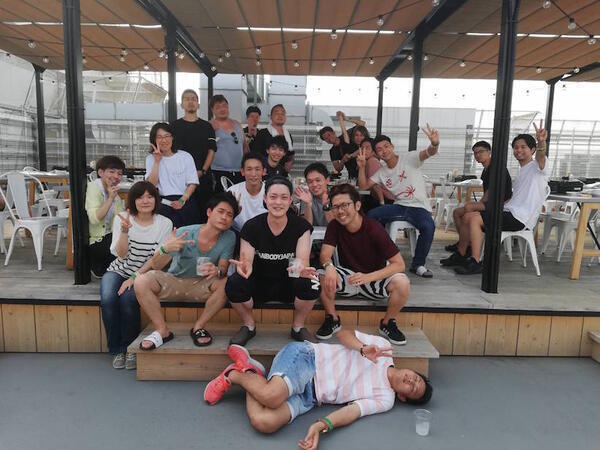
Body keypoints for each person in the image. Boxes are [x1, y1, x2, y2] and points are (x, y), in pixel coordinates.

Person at [203, 330, 433, 448]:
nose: (411, 381)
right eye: (416, 378)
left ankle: (250, 371)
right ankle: (233, 375)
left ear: (403, 397)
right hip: (308, 359)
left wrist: (321, 425)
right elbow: (343, 334)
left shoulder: (385, 399)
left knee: (264, 422)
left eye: (413, 388)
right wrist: (362, 348)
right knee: (271, 397)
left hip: (311, 397)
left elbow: (352, 411)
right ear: (412, 370)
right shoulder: (384, 348)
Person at [134, 193, 238, 349]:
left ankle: (199, 327)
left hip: (202, 283)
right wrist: (166, 249)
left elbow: (223, 270)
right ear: (209, 212)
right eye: (221, 211)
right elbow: (156, 264)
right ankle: (162, 330)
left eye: (229, 215)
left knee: (227, 283)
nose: (224, 217)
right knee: (141, 281)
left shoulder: (229, 237)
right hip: (174, 280)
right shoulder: (185, 232)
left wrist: (217, 271)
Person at [225, 177, 320, 346]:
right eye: (273, 197)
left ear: (290, 200)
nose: (278, 202)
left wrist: (301, 267)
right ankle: (248, 325)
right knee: (234, 283)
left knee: (312, 282)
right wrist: (244, 267)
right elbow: (247, 261)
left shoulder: (301, 226)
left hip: (289, 283)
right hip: (259, 283)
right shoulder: (251, 226)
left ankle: (298, 327)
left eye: (284, 197)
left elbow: (302, 260)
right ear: (265, 199)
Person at [316, 184, 410, 345]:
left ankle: (388, 323)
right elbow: (325, 254)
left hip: (374, 279)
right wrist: (329, 266)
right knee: (321, 274)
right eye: (336, 206)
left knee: (402, 282)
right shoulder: (334, 225)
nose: (340, 211)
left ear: (357, 205)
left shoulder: (373, 228)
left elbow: (399, 264)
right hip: (349, 278)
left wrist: (368, 277)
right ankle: (332, 318)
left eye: (345, 205)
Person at [454, 122, 549, 275]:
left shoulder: (537, 168)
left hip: (520, 219)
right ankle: (462, 253)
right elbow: (515, 197)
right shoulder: (522, 171)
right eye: (516, 147)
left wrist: (541, 142)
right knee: (467, 216)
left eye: (523, 147)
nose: (518, 150)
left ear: (532, 149)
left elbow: (541, 156)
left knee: (474, 218)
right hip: (510, 212)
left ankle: (476, 261)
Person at [100, 181, 172, 370]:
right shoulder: (122, 218)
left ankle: (130, 348)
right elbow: (121, 254)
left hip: (145, 274)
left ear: (156, 200)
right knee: (108, 299)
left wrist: (134, 277)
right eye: (140, 197)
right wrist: (125, 231)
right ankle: (117, 349)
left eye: (149, 196)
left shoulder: (164, 223)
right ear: (133, 200)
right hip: (118, 269)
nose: (145, 201)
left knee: (128, 300)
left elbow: (156, 260)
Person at [358, 127, 439, 278]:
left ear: (392, 146)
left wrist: (434, 143)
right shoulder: (382, 172)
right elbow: (363, 186)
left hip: (418, 207)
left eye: (386, 146)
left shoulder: (409, 158)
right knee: (371, 216)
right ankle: (380, 253)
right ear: (376, 154)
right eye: (379, 149)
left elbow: (428, 152)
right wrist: (361, 167)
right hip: (399, 206)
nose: (384, 151)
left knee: (429, 226)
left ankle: (418, 264)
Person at [440, 141, 512, 268]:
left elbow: (490, 192)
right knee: (457, 212)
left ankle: (465, 248)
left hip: (499, 205)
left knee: (468, 208)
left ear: (489, 152)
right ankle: (464, 244)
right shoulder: (486, 169)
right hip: (491, 203)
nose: (477, 155)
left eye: (481, 152)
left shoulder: (495, 167)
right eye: (475, 153)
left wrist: (478, 204)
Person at [171, 89, 217, 222]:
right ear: (181, 104)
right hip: (180, 180)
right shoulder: (174, 126)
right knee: (182, 214)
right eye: (187, 99)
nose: (190, 102)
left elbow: (212, 150)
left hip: (203, 178)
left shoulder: (207, 126)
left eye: (194, 99)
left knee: (204, 215)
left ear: (198, 104)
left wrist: (203, 171)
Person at [145, 122, 200, 227]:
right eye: (159, 137)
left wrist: (182, 200)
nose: (164, 140)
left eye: (167, 136)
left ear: (172, 137)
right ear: (154, 140)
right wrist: (157, 161)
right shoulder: (150, 158)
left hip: (184, 200)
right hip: (162, 203)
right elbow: (151, 185)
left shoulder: (185, 156)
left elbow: (192, 183)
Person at [85, 155, 126, 277]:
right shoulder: (93, 188)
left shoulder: (114, 192)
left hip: (110, 239)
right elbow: (95, 219)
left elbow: (120, 219)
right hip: (97, 241)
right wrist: (110, 199)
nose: (116, 176)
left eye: (119, 173)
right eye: (111, 172)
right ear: (100, 172)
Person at [210, 95, 248, 191]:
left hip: (239, 171)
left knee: (238, 198)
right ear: (212, 110)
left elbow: (245, 147)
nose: (222, 109)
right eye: (218, 107)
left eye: (224, 106)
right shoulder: (210, 126)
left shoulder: (237, 124)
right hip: (218, 171)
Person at [227, 153, 268, 234]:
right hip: (238, 233)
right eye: (249, 169)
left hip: (264, 234)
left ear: (264, 171)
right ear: (242, 171)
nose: (253, 174)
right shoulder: (233, 191)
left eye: (257, 169)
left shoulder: (271, 192)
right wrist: (235, 212)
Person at [319, 111, 366, 178]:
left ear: (334, 132)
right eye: (326, 138)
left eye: (329, 135)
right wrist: (343, 161)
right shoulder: (332, 151)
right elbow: (338, 169)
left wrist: (346, 119)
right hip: (352, 174)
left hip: (365, 167)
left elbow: (362, 124)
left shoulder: (346, 135)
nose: (329, 138)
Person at [295, 162, 333, 227]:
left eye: (318, 180)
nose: (314, 184)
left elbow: (336, 226)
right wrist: (308, 204)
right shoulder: (306, 196)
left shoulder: (336, 195)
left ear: (327, 180)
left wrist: (326, 206)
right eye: (310, 182)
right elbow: (306, 225)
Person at [360, 138, 394, 208]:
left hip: (385, 199)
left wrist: (381, 203)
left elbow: (376, 185)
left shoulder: (372, 161)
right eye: (362, 148)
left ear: (373, 151)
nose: (364, 151)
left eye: (367, 148)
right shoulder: (368, 161)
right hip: (383, 198)